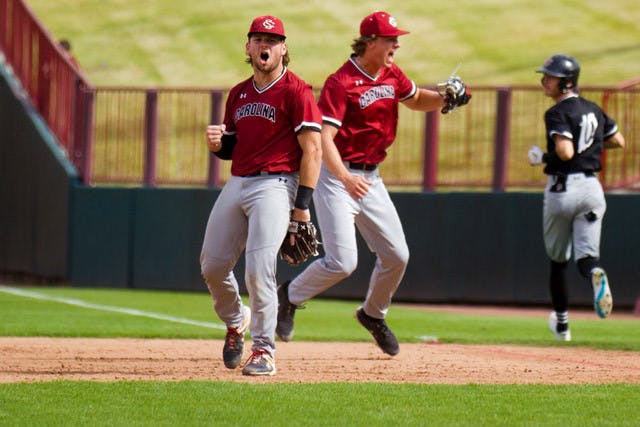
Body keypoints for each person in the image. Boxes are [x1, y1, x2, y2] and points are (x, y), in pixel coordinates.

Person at [276, 11, 470, 355]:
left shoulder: (391, 73)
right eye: (390, 39)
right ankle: (288, 296)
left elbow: (415, 99)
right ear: (369, 42)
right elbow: (324, 136)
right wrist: (345, 178)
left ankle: (372, 314)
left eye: (397, 39)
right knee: (342, 263)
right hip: (338, 178)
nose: (396, 44)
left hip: (371, 177)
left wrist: (445, 97)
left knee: (397, 255)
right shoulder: (342, 82)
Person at [200, 15, 322, 375]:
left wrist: (302, 207)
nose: (265, 45)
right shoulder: (238, 93)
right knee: (213, 265)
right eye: (258, 39)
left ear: (284, 49)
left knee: (258, 269)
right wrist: (218, 145)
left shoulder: (297, 91)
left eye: (273, 39)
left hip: (276, 184)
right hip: (238, 181)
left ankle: (264, 351)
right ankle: (237, 322)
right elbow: (233, 146)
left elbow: (312, 150)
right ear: (248, 47)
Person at [528, 54, 625, 341]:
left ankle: (562, 325)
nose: (544, 80)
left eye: (551, 76)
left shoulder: (557, 112)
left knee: (558, 261)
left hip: (563, 189)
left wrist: (541, 157)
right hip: (592, 190)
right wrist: (593, 145)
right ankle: (596, 273)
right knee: (587, 258)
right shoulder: (594, 108)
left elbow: (566, 152)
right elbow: (619, 141)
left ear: (566, 82)